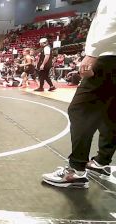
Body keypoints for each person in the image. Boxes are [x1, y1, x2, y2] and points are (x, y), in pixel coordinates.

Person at [42, 0, 116, 188]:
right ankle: (101, 162)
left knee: (80, 110)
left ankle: (76, 170)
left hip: (107, 57)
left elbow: (113, 19)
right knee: (111, 113)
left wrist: (93, 53)